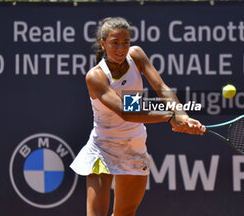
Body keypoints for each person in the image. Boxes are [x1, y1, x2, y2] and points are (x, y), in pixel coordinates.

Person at [70, 17, 205, 216]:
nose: (121, 48)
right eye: (114, 42)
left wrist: (182, 116)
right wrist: (169, 117)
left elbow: (161, 88)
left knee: (125, 213)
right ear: (103, 44)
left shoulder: (137, 56)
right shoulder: (96, 76)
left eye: (125, 42)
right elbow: (127, 112)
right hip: (103, 147)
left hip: (134, 145)